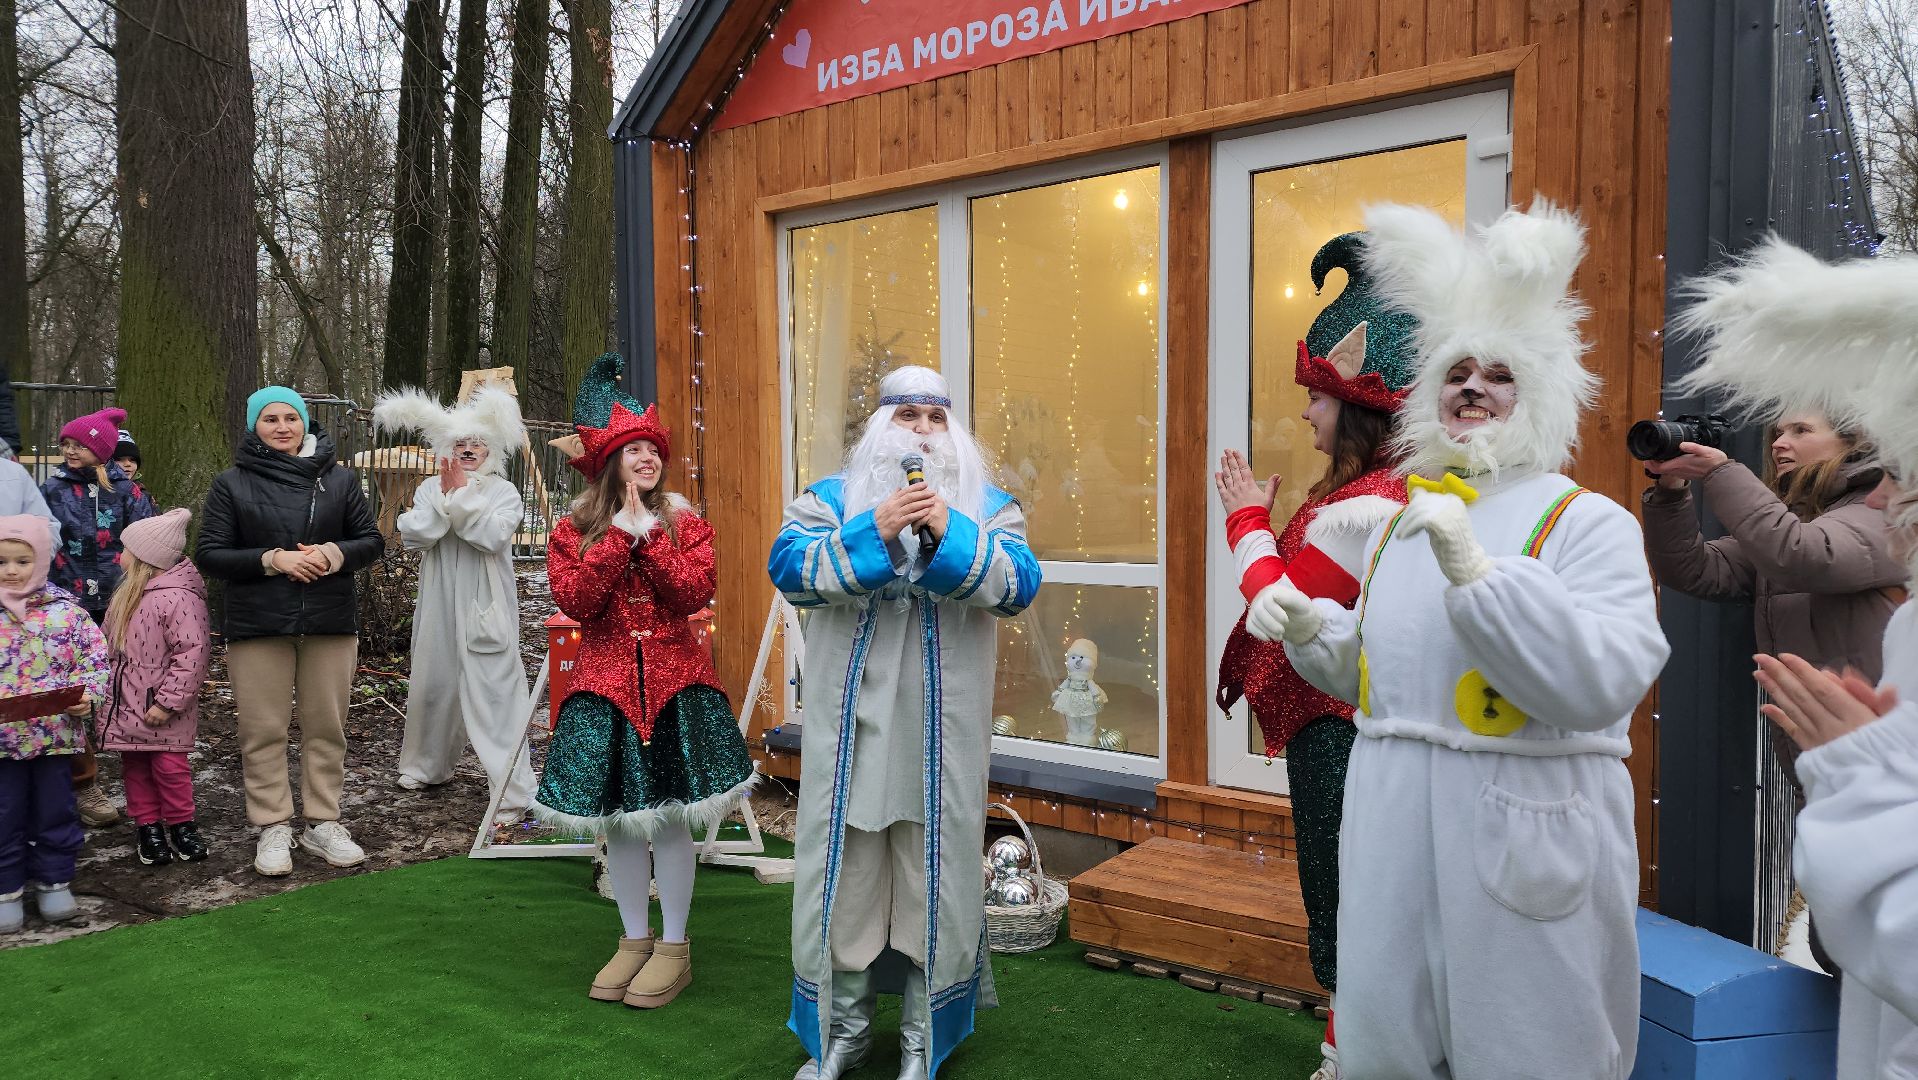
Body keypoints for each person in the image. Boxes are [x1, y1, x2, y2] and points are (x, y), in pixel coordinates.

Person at [1251, 201, 1670, 1079]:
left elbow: (1604, 679)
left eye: (1501, 375)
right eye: (1457, 373)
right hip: (1394, 819)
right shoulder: (1406, 523)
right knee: (1390, 1045)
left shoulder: (1584, 521)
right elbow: (1381, 677)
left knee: (1530, 1045)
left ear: (1540, 396)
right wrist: (1308, 629)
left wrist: (1477, 571)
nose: (1473, 387)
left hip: (1516, 828)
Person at [1670, 237, 1918, 1079]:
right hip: (1824, 764)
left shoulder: (1882, 519)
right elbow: (1698, 571)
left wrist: (1720, 473)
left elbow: (1807, 556)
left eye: (1796, 429)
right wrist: (1671, 494)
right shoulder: (1785, 524)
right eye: (1772, 430)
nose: (1777, 442)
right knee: (1848, 942)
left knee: (1866, 943)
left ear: (1850, 442)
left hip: (1885, 766)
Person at [770, 365, 1042, 1080]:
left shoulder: (989, 507)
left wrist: (951, 532)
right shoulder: (829, 501)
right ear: (878, 428)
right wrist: (874, 530)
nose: (922, 430)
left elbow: (1018, 587)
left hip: (939, 746)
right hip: (853, 738)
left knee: (935, 882)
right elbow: (788, 567)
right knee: (848, 880)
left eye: (934, 417)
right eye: (907, 415)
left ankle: (923, 1040)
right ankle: (845, 1031)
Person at [1212, 230, 1415, 1080]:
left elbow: (1281, 607)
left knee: (1345, 892)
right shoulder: (1368, 490)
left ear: (1358, 408)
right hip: (1338, 726)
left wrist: (1243, 518)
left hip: (1342, 732)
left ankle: (1352, 1058)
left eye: (1318, 400)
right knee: (1346, 889)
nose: (1306, 414)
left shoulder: (1370, 501)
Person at [534, 353, 756, 1010]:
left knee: (669, 822)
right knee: (624, 826)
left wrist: (652, 539)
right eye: (632, 449)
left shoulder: (687, 525)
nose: (645, 458)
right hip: (605, 695)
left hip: (676, 694)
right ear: (609, 462)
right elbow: (576, 601)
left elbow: (694, 591)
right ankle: (633, 940)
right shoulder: (573, 529)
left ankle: (675, 946)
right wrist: (614, 541)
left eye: (652, 449)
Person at [195, 387, 383, 877]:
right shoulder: (230, 484)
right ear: (254, 427)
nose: (282, 427)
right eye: (270, 419)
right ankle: (273, 824)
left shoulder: (340, 480)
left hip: (329, 621)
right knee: (262, 730)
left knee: (327, 727)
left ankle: (322, 822)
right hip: (258, 625)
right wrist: (273, 560)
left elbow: (371, 540)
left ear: (305, 424)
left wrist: (330, 555)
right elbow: (211, 553)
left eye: (291, 418)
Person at [374, 385, 537, 823]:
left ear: (492, 449)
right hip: (440, 601)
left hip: (486, 604)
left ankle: (511, 787)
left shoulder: (503, 492)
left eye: (477, 443)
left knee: (495, 688)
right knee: (434, 680)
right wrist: (446, 501)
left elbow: (490, 536)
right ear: (446, 449)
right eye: (459, 444)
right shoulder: (430, 488)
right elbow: (414, 533)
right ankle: (426, 766)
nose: (468, 449)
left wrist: (459, 500)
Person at [40, 406, 154, 829]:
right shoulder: (51, 490)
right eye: (65, 444)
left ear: (101, 450)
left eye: (79, 444)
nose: (70, 451)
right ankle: (84, 781)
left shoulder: (130, 493)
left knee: (125, 684)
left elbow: (149, 540)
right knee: (72, 694)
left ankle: (142, 774)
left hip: (121, 601)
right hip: (65, 604)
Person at [0, 514, 110, 932]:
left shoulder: (67, 615)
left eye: (22, 561)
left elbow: (96, 662)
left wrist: (87, 696)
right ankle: (6, 888)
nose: (12, 570)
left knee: (55, 809)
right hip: (3, 742)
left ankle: (54, 881)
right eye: (2, 561)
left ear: (42, 561)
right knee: (4, 812)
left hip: (55, 739)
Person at [98, 508, 211, 867]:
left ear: (145, 558)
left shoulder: (179, 598)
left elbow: (192, 653)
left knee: (170, 768)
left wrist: (168, 702)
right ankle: (148, 827)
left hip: (161, 709)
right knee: (135, 767)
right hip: (126, 705)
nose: (120, 556)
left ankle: (182, 825)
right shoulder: (124, 598)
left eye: (126, 549)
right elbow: (105, 650)